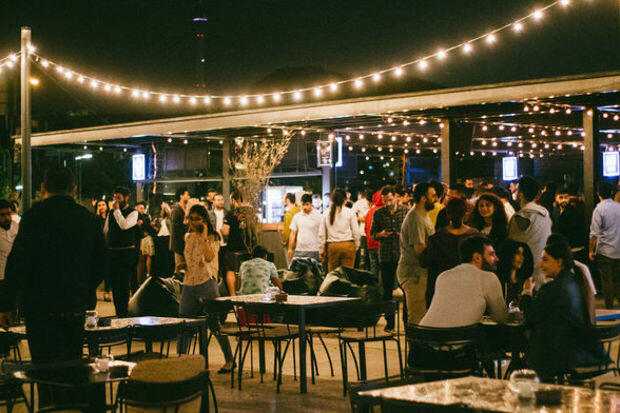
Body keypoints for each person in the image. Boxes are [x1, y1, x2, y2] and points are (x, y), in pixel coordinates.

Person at [0, 167, 105, 360]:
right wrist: (84, 288)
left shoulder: (33, 217)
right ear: (73, 188)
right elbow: (101, 262)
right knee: (71, 362)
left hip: (40, 308)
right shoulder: (86, 218)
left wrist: (7, 303)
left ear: (43, 187)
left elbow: (18, 263)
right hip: (74, 306)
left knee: (44, 366)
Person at [520, 241, 607, 381]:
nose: (541, 264)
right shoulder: (576, 282)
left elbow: (530, 316)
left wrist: (526, 293)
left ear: (559, 261)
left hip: (558, 355)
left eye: (545, 259)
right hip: (581, 350)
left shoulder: (553, 288)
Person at [177, 204, 234, 372]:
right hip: (188, 283)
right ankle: (181, 361)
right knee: (183, 324)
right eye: (191, 219)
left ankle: (229, 360)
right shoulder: (188, 237)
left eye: (197, 219)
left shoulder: (213, 237)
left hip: (206, 282)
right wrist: (181, 265)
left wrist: (203, 237)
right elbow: (189, 259)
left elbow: (209, 257)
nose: (193, 222)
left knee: (214, 323)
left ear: (205, 220)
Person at [421, 235, 509, 327]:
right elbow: (501, 317)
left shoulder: (443, 276)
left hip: (422, 332)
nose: (496, 258)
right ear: (477, 257)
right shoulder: (489, 278)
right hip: (454, 335)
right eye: (491, 254)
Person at [423, 198, 479, 307]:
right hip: (468, 288)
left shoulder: (437, 238)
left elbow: (428, 263)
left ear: (447, 214)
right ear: (465, 213)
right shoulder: (474, 236)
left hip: (442, 290)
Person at [397, 182, 437, 324]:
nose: (436, 199)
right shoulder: (416, 218)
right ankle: (414, 339)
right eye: (433, 196)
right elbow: (420, 250)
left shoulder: (422, 215)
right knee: (417, 316)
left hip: (418, 273)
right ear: (423, 198)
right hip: (414, 273)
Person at [370, 185, 409, 332]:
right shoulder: (379, 213)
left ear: (396, 197)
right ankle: (390, 322)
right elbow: (372, 234)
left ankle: (407, 321)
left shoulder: (405, 211)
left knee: (406, 290)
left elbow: (410, 232)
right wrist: (381, 234)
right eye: (385, 201)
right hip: (386, 255)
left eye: (390, 200)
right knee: (386, 291)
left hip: (402, 255)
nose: (388, 203)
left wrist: (401, 235)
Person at [508, 176, 552, 288]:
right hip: (544, 267)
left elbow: (513, 246)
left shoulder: (520, 217)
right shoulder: (545, 215)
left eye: (516, 190)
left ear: (521, 194)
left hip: (526, 273)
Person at [104, 186, 139, 317]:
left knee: (124, 285)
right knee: (115, 286)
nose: (116, 201)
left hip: (126, 255)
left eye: (119, 198)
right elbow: (106, 231)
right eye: (115, 198)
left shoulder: (133, 213)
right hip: (113, 253)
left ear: (126, 198)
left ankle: (124, 314)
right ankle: (118, 312)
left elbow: (124, 225)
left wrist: (117, 211)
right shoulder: (111, 213)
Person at [589, 181, 620, 308]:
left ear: (598, 194)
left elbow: (594, 234)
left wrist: (591, 251)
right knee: (618, 279)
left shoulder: (599, 209)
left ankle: (609, 306)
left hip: (605, 250)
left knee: (606, 281)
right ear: (612, 192)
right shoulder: (618, 207)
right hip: (618, 250)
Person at [221, 190, 257, 296]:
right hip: (249, 248)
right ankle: (248, 293)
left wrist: (220, 230)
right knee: (248, 269)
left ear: (233, 200)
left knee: (230, 270)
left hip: (233, 248)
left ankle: (233, 295)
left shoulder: (231, 214)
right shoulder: (251, 213)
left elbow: (226, 231)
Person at [318, 188, 361, 272]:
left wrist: (321, 250)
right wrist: (356, 245)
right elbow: (356, 231)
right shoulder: (350, 212)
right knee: (347, 274)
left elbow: (322, 234)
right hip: (348, 246)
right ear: (344, 200)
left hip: (332, 247)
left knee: (334, 275)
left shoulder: (326, 213)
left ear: (332, 200)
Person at [496, 239, 533, 305]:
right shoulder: (497, 281)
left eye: (523, 254)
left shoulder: (525, 282)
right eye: (518, 253)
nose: (522, 257)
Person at [287, 193, 322, 262]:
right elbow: (293, 233)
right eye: (303, 205)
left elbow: (322, 233)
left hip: (314, 250)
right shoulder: (297, 216)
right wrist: (290, 248)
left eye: (307, 204)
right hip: (299, 250)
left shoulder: (319, 216)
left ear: (311, 204)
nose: (305, 207)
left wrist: (322, 249)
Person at [552, 186, 586, 254]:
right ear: (556, 198)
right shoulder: (555, 211)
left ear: (569, 198)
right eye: (561, 197)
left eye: (566, 197)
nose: (564, 200)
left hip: (573, 249)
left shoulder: (574, 212)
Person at [94, 198, 112, 302]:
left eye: (103, 205)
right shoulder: (96, 218)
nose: (101, 207)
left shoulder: (110, 218)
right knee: (97, 270)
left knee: (108, 271)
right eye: (99, 205)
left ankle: (107, 292)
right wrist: (96, 215)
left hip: (109, 247)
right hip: (98, 247)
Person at [170, 187, 191, 275]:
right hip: (179, 244)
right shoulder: (176, 210)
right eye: (187, 194)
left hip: (186, 244)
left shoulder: (187, 209)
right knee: (180, 268)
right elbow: (175, 229)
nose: (189, 196)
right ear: (181, 196)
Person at [0, 199, 18, 294]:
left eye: (8, 214)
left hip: (14, 276)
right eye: (2, 215)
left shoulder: (16, 227)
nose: (6, 218)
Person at [135, 201, 156, 286]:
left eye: (143, 208)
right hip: (139, 239)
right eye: (141, 208)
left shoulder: (146, 217)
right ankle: (140, 278)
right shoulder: (134, 217)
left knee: (148, 256)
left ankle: (147, 274)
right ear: (136, 208)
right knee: (140, 259)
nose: (142, 210)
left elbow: (149, 227)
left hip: (146, 238)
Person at [364, 190, 383, 278]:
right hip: (381, 245)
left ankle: (374, 285)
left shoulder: (370, 211)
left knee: (374, 267)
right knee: (383, 269)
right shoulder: (384, 211)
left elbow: (365, 229)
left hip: (370, 244)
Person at [352, 189, 371, 270]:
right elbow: (352, 214)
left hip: (373, 234)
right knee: (363, 257)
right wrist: (360, 218)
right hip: (363, 234)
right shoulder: (359, 203)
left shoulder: (377, 203)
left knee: (372, 259)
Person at [282, 193, 300, 261]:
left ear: (288, 200)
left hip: (292, 245)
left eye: (284, 199)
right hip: (301, 244)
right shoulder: (300, 210)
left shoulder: (289, 213)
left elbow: (288, 231)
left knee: (291, 264)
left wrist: (284, 242)